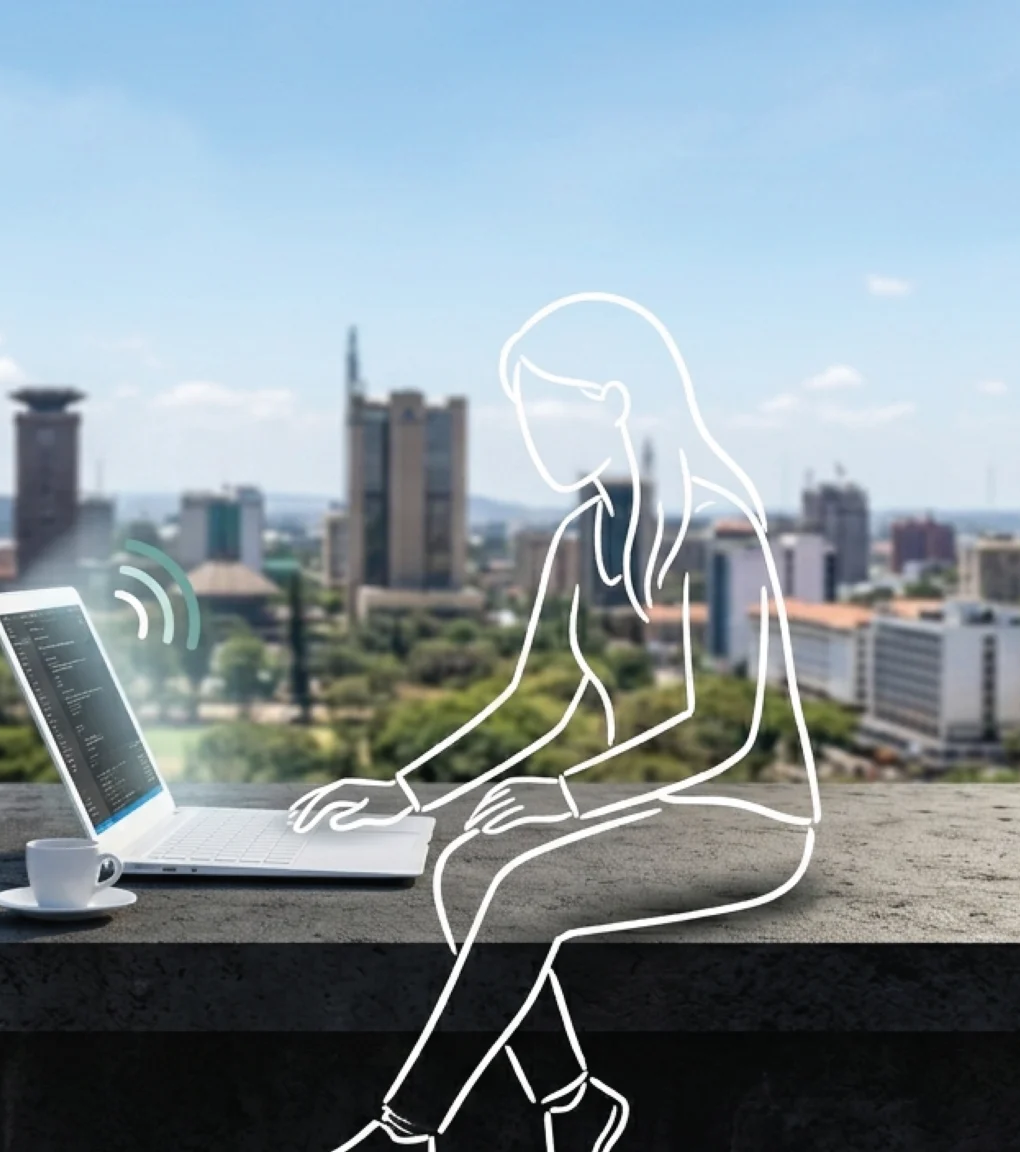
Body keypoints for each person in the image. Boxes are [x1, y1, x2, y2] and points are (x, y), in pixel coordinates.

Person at [291, 293, 822, 1151]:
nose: (529, 426)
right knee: (463, 863)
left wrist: (568, 798)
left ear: (610, 399)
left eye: (544, 399)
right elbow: (542, 691)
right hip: (646, 806)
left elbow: (723, 734)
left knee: (524, 884)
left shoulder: (716, 520)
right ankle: (575, 1107)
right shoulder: (590, 523)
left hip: (753, 816)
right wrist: (400, 789)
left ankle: (406, 1130)